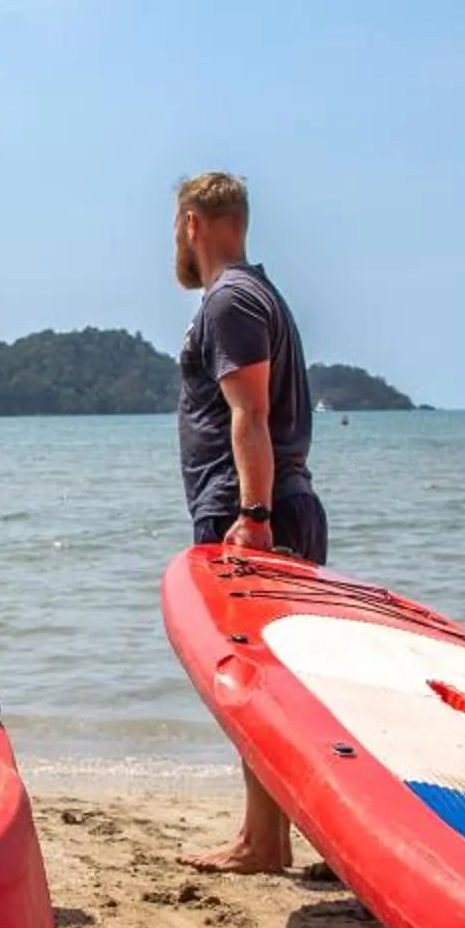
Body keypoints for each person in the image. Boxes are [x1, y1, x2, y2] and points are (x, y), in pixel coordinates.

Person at [172, 170, 328, 874]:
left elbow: (252, 413)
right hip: (268, 501)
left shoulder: (231, 298)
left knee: (255, 677)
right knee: (272, 680)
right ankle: (271, 833)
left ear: (192, 223)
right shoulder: (255, 292)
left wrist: (253, 515)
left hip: (252, 508)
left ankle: (263, 843)